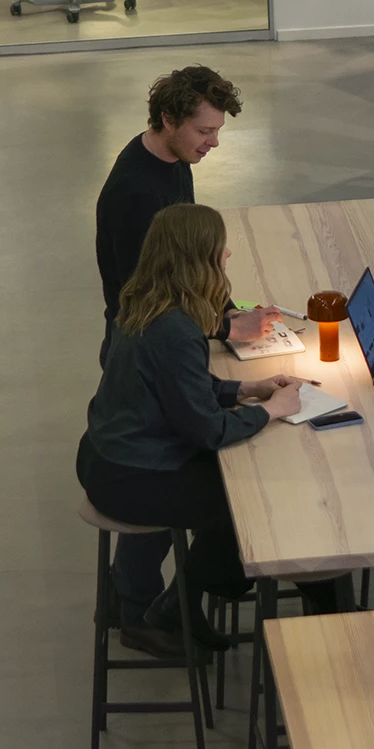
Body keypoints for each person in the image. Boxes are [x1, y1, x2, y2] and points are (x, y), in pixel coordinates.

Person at [93, 66, 282, 634]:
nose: (213, 143)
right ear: (168, 120)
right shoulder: (136, 192)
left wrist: (238, 371)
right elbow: (150, 291)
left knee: (162, 438)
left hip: (158, 339)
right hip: (148, 343)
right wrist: (224, 334)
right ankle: (149, 613)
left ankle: (137, 601)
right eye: (204, 131)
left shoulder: (173, 163)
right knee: (234, 497)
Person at [78, 204, 305, 657]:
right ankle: (166, 611)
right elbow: (206, 431)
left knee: (227, 488)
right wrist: (273, 410)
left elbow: (179, 387)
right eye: (220, 251)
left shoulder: (145, 298)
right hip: (133, 475)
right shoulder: (176, 329)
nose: (227, 255)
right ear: (199, 260)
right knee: (244, 506)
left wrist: (247, 386)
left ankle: (142, 599)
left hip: (106, 456)